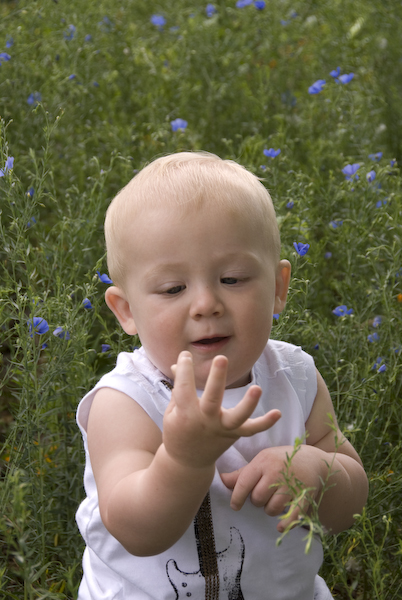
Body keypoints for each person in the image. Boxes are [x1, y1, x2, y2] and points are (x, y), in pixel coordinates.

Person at [76, 152, 368, 600]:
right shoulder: (127, 401)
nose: (206, 304)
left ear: (278, 288)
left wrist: (317, 471)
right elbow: (135, 531)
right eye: (173, 288)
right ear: (127, 310)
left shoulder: (294, 377)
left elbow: (351, 504)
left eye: (232, 279)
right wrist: (184, 460)